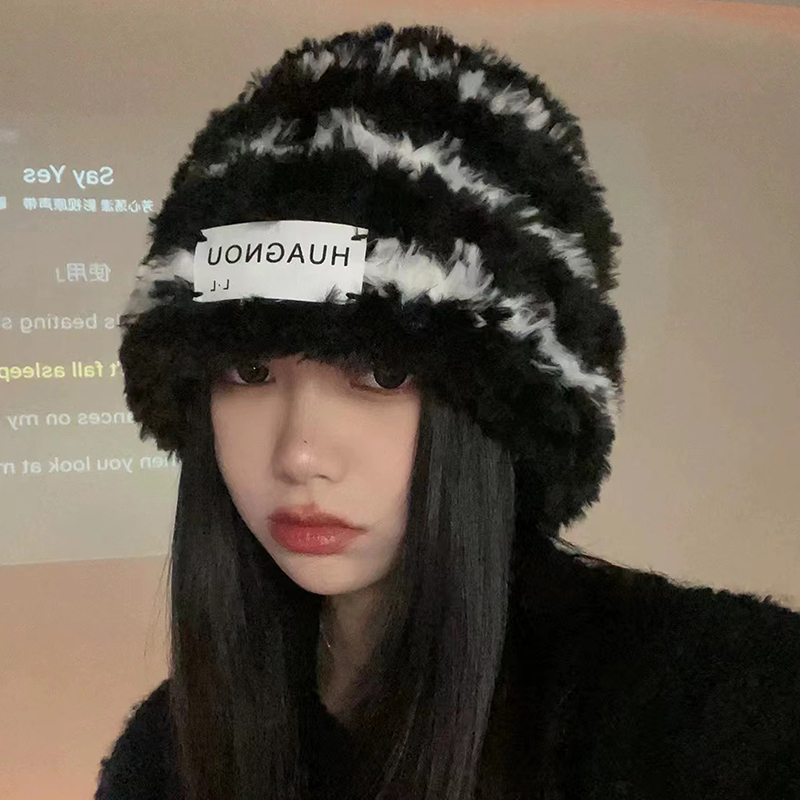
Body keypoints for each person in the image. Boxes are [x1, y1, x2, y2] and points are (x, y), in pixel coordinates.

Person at [94, 21, 800, 800]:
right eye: (249, 370)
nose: (299, 455)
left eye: (383, 373)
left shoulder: (727, 714)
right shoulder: (165, 759)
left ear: (501, 410)